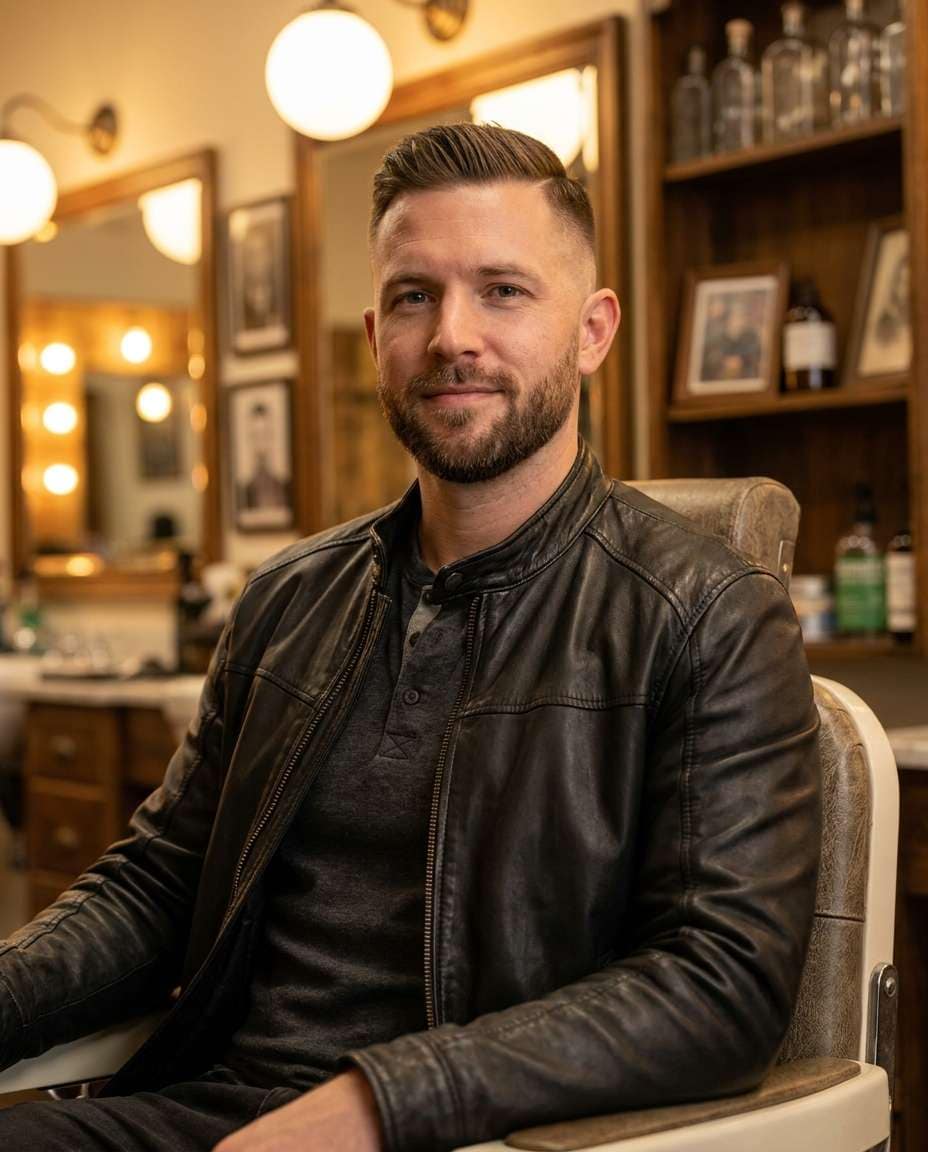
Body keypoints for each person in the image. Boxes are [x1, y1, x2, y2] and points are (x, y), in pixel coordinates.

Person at [0, 124, 820, 1152]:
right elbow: (159, 882)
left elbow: (721, 983)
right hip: (209, 1106)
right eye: (414, 295)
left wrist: (381, 1101)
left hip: (467, 1130)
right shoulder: (288, 599)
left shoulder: (708, 615)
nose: (452, 337)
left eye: (503, 291)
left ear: (592, 329)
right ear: (373, 331)